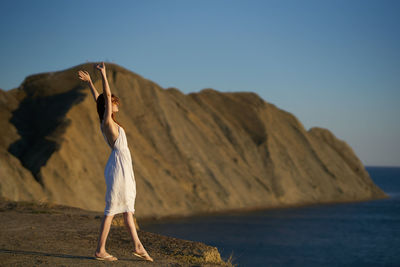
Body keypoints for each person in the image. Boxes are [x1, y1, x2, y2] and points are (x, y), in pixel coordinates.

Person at [78, 62, 154, 262]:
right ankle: (100, 250)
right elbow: (104, 97)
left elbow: (99, 100)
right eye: (114, 101)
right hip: (119, 168)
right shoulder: (107, 123)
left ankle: (138, 246)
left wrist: (89, 84)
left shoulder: (107, 121)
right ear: (109, 106)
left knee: (128, 208)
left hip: (122, 167)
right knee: (111, 210)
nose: (116, 103)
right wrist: (103, 76)